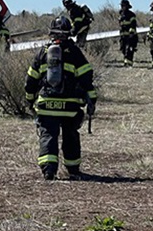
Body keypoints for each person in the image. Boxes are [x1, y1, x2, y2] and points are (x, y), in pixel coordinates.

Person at [25, 16, 97, 181]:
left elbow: (31, 80)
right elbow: (87, 78)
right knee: (71, 135)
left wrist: (29, 99)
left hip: (47, 106)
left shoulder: (42, 52)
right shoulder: (75, 52)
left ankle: (49, 170)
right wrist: (92, 99)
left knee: (48, 135)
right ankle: (73, 169)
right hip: (70, 108)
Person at [119, 0, 138, 67]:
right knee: (123, 49)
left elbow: (133, 25)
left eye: (123, 6)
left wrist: (131, 34)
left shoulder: (131, 15)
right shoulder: (121, 15)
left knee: (129, 50)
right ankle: (126, 62)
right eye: (121, 6)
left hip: (130, 36)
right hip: (123, 36)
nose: (122, 7)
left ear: (127, 6)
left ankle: (129, 63)